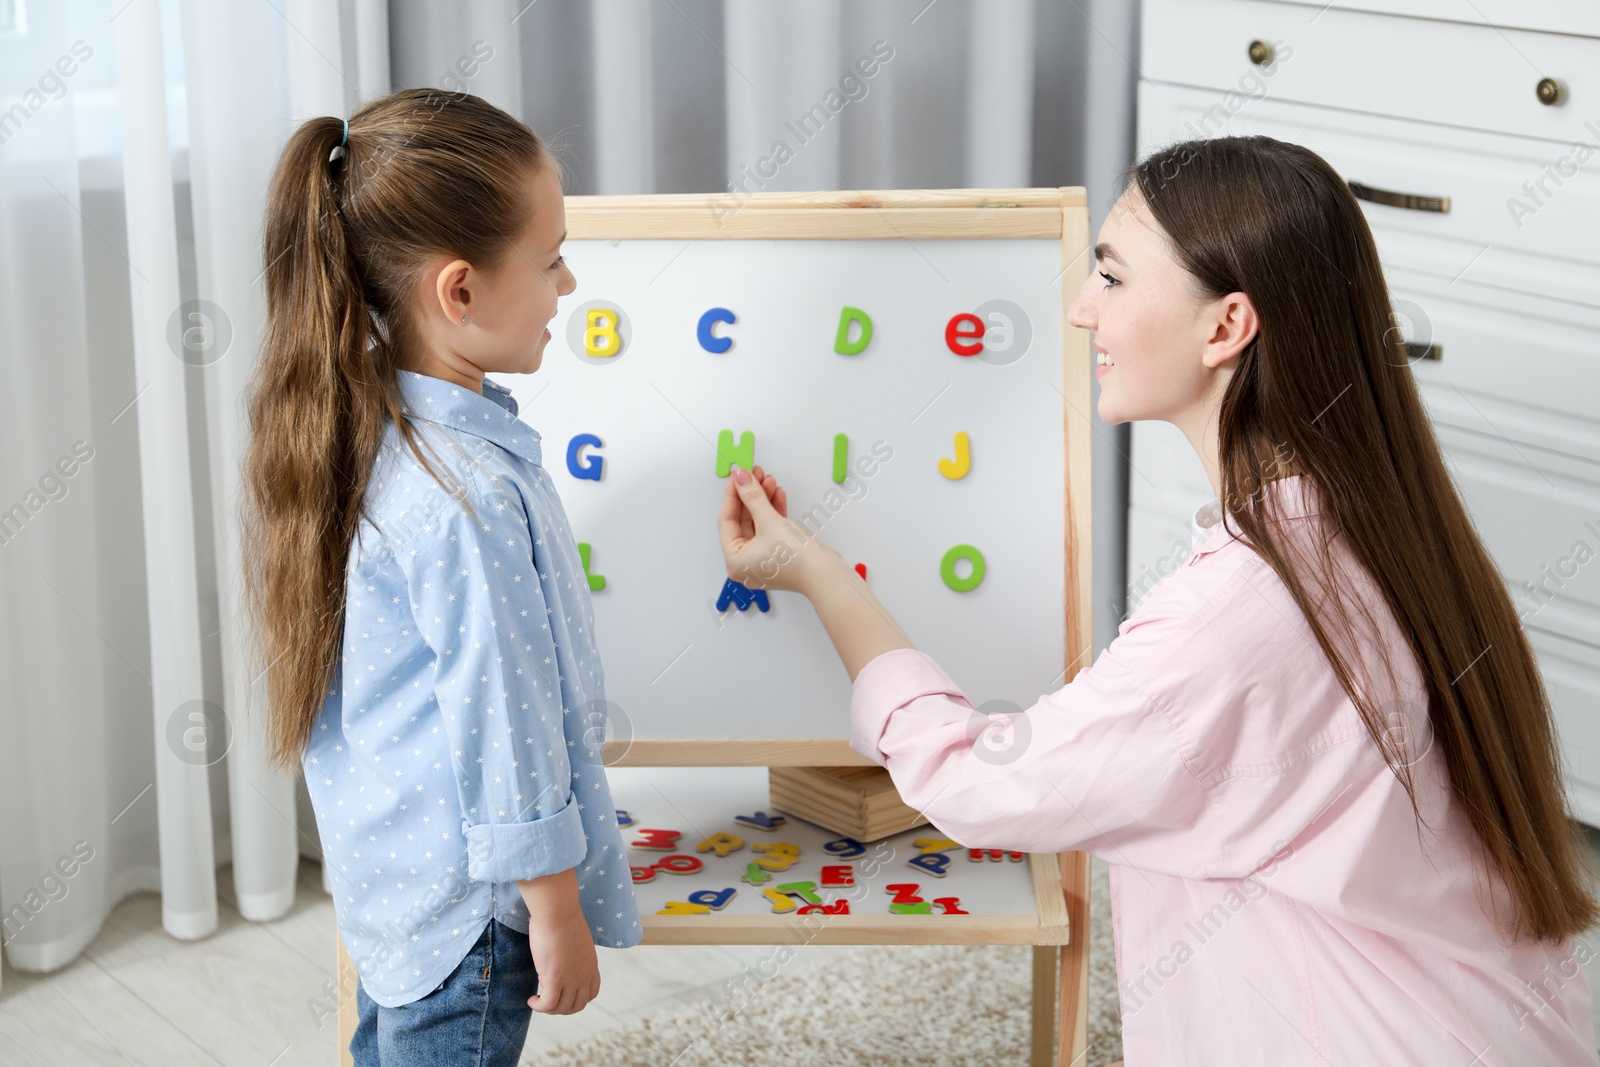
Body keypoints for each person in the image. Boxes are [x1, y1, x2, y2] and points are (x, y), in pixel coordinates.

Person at [716, 135, 1600, 1065]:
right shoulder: (1375, 522)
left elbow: (976, 783)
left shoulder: (1235, 615)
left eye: (1111, 276)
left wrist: (816, 572)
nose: (1079, 310)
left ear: (1225, 327)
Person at [240, 89, 656, 1066]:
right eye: (549, 257)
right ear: (458, 291)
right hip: (472, 908)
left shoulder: (373, 424)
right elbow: (503, 715)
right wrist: (552, 905)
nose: (567, 282)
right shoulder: (462, 493)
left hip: (400, 883)